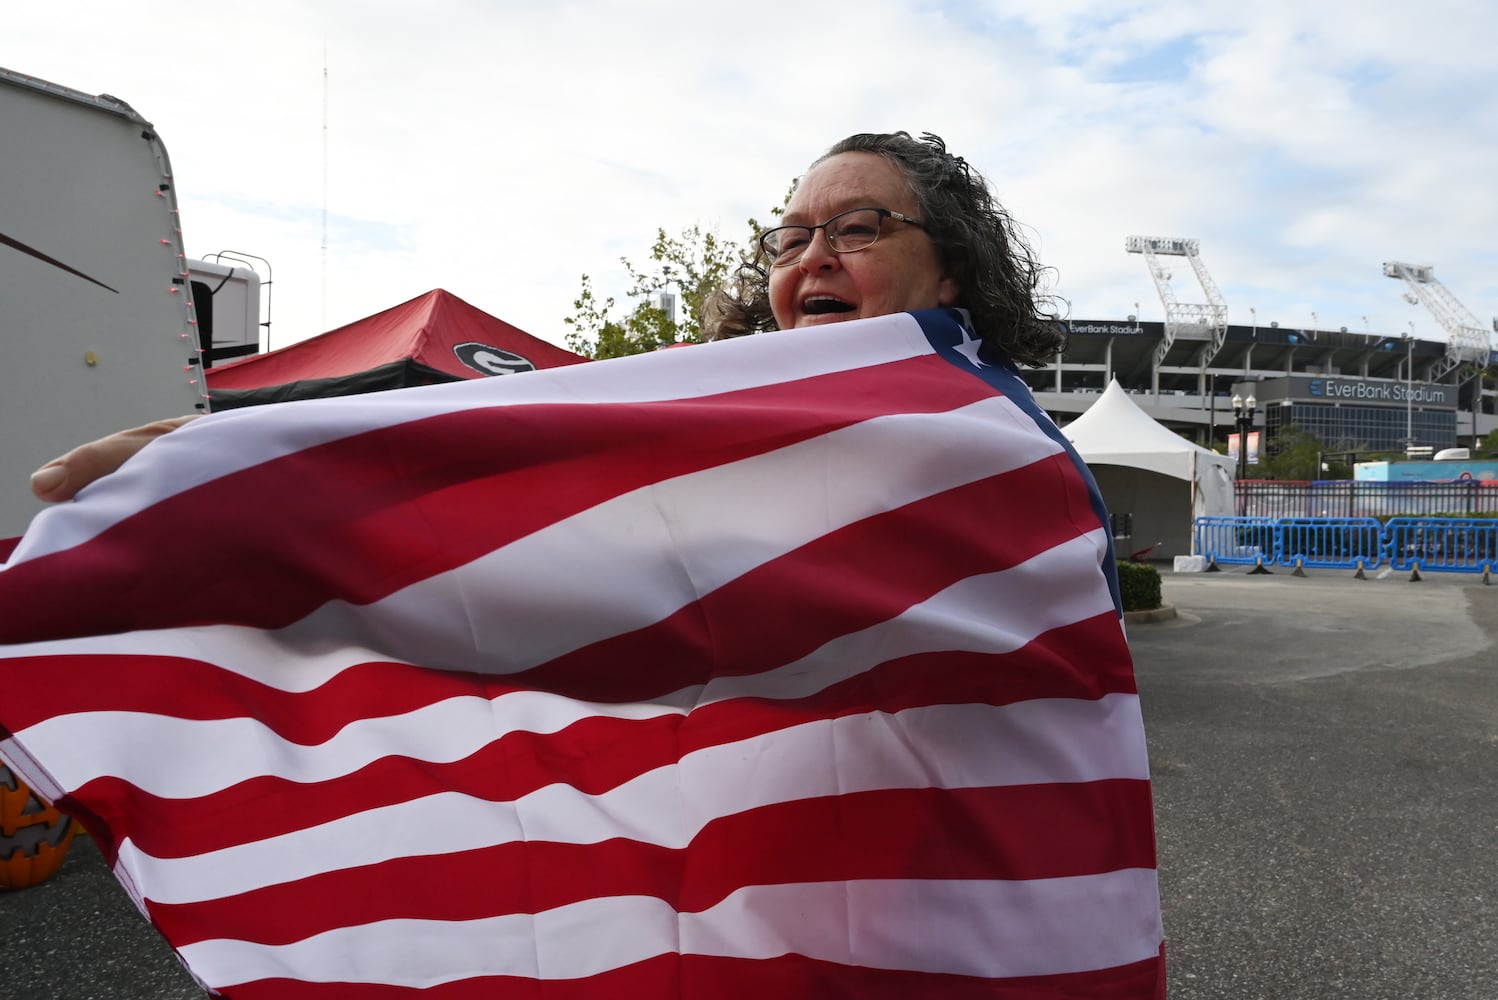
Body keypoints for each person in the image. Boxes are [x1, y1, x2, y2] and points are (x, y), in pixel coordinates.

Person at [34, 131, 1065, 497]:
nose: (812, 259)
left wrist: (251, 452)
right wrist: (242, 445)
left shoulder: (982, 441)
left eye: (859, 228)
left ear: (950, 278)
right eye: (789, 239)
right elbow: (532, 427)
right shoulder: (741, 415)